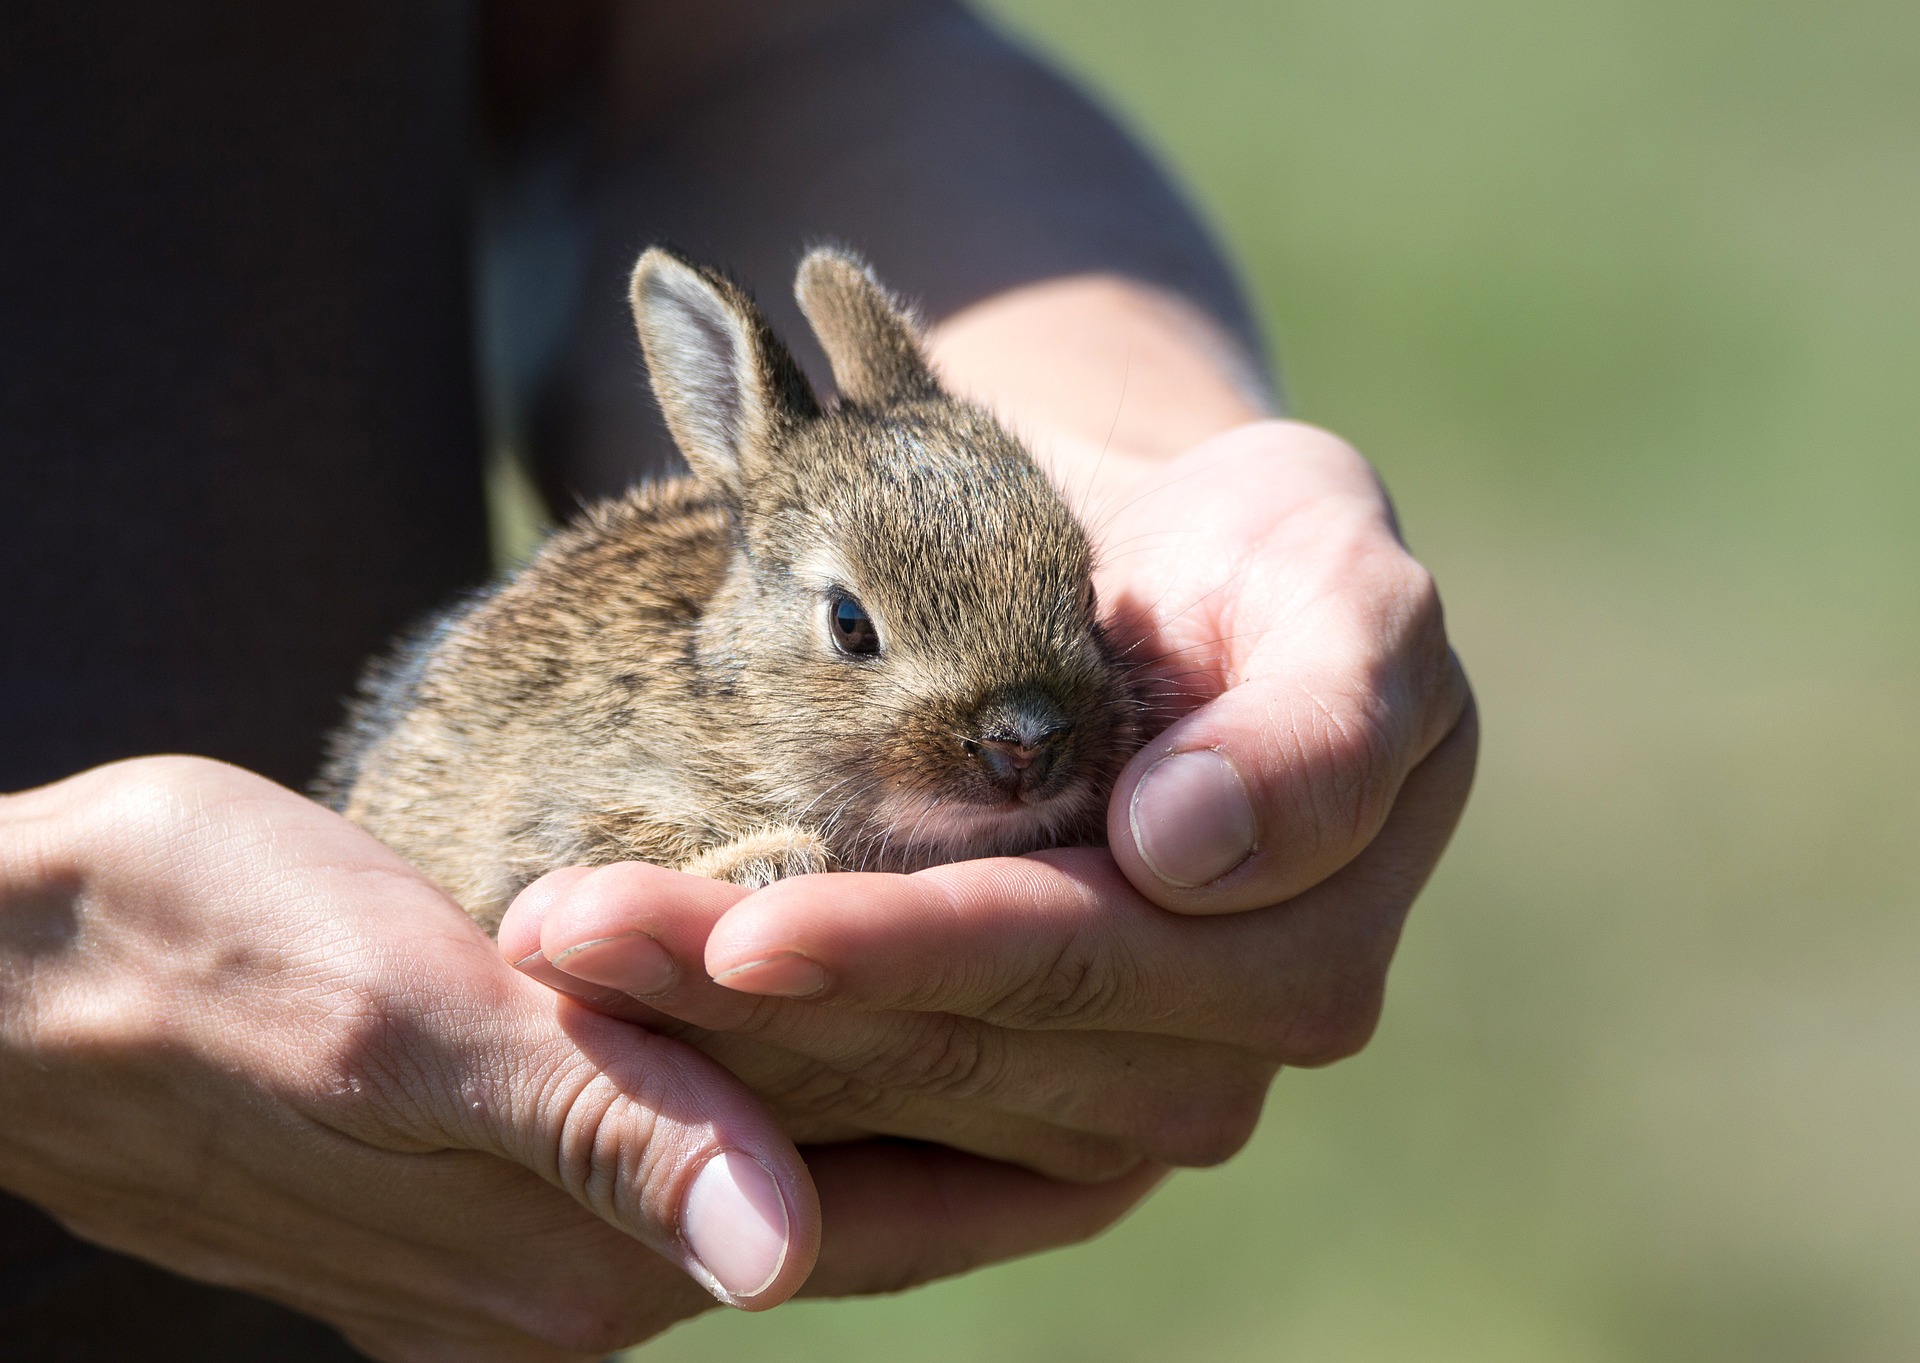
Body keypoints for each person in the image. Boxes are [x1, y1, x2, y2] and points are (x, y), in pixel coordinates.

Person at [0, 2, 1477, 1360]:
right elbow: (530, 856)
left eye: (1069, 612)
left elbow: (754, 44)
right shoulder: (669, 753)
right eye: (860, 637)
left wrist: (1162, 459)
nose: (1026, 735)